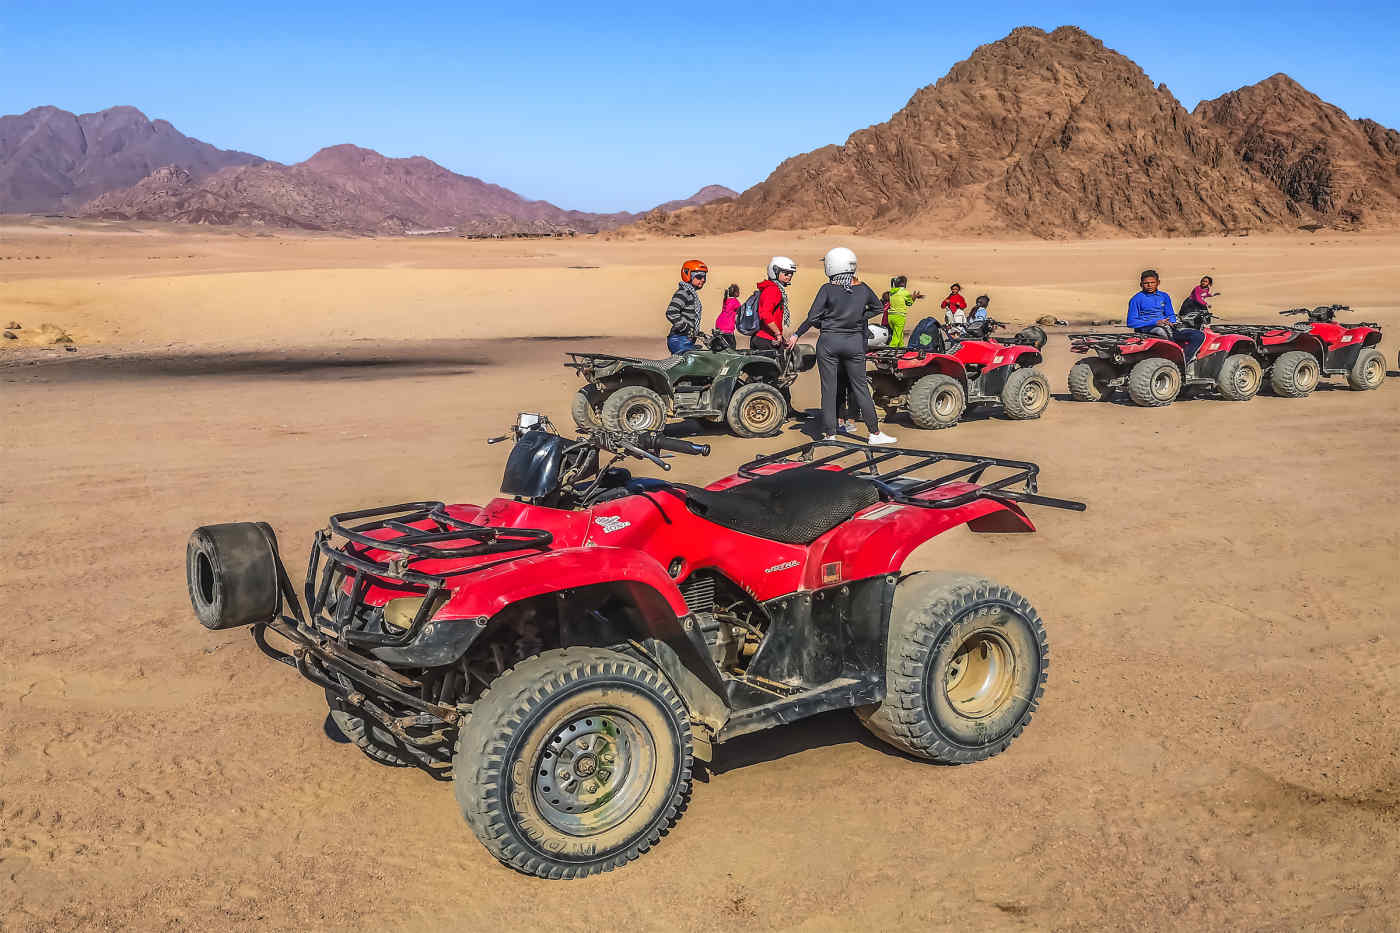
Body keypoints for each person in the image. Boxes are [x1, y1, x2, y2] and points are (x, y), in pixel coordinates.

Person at [784, 247, 896, 445]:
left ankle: (830, 434)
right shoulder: (862, 288)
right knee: (860, 387)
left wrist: (818, 326)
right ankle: (875, 434)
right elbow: (878, 307)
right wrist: (860, 317)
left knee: (829, 389)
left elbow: (813, 317)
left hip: (828, 342)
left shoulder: (827, 289)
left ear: (831, 266)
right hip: (854, 343)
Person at [1126, 269, 1204, 361]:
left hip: (1167, 327)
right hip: (1148, 329)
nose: (1149, 285)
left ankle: (1184, 360)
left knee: (1198, 335)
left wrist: (1172, 322)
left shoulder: (1164, 296)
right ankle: (1173, 359)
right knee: (1161, 331)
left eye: (1152, 282)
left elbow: (1170, 314)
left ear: (1158, 283)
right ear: (1141, 284)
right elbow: (1131, 322)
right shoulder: (1136, 299)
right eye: (1146, 283)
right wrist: (1155, 322)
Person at [751, 256, 797, 350]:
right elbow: (766, 314)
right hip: (767, 341)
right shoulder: (773, 290)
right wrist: (778, 334)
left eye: (791, 273)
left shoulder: (770, 288)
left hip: (764, 338)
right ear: (775, 271)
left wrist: (782, 339)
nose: (789, 276)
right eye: (786, 273)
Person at [665, 260, 707, 354]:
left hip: (685, 339)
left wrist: (697, 332)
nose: (703, 280)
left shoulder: (691, 294)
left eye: (704, 277)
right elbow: (671, 312)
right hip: (679, 339)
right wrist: (685, 328)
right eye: (699, 277)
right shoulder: (684, 292)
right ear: (688, 276)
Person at [886, 276, 923, 348]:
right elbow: (909, 303)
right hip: (899, 316)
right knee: (896, 335)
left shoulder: (891, 292)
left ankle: (901, 347)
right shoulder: (904, 292)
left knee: (898, 333)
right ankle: (891, 349)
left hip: (890, 316)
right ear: (904, 284)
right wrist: (914, 298)